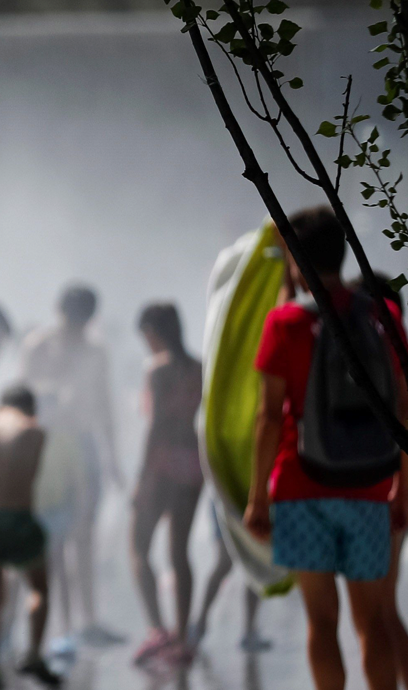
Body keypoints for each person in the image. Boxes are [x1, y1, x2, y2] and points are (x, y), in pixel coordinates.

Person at [243, 206, 408, 690]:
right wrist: (405, 487)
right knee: (371, 621)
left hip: (301, 486)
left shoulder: (286, 324)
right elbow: (407, 409)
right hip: (370, 486)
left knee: (321, 622)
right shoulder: (382, 313)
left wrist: (256, 498)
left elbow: (270, 418)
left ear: (297, 258)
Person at [22, 284, 123, 641]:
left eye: (82, 320)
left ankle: (88, 619)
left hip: (83, 443)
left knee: (85, 533)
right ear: (59, 311)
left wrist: (112, 458)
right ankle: (57, 623)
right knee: (53, 534)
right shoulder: (38, 346)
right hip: (48, 446)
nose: (75, 326)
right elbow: (26, 399)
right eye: (71, 318)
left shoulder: (96, 351)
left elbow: (105, 405)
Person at [130, 303, 205, 664]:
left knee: (138, 546)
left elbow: (156, 425)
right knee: (180, 551)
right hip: (191, 461)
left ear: (153, 332)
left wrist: (142, 478)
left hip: (162, 464)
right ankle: (182, 634)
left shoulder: (157, 370)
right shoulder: (199, 368)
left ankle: (158, 630)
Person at [0, 384, 54, 690]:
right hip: (20, 515)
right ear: (30, 407)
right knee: (39, 589)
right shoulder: (34, 431)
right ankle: (33, 653)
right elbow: (31, 474)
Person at [192, 507, 266, 652]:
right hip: (225, 500)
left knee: (254, 563)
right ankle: (199, 622)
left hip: (251, 500)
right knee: (225, 562)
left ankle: (250, 630)